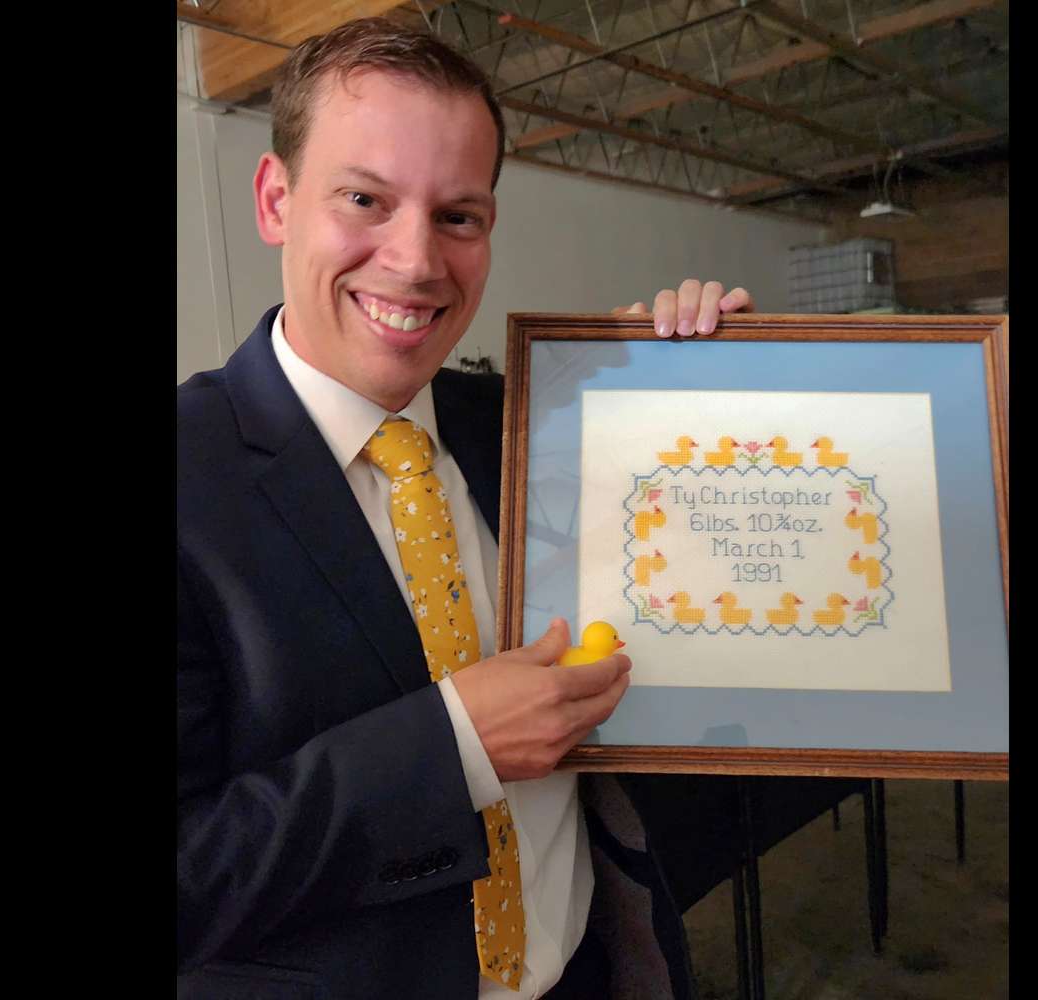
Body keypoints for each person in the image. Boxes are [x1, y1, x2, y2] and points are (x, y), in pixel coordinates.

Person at [177, 17, 753, 999]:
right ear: (277, 200)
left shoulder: (530, 420)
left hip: (591, 968)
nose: (414, 261)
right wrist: (452, 750)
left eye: (459, 216)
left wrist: (687, 380)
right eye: (364, 198)